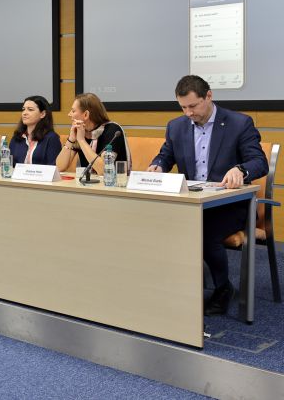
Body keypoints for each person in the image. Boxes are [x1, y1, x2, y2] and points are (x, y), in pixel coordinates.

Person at [147, 75, 268, 315]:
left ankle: (223, 288)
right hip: (192, 202)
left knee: (203, 231)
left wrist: (241, 169)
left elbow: (259, 162)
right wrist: (157, 166)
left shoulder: (239, 123)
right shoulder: (176, 126)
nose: (188, 113)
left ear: (209, 96)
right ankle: (171, 285)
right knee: (157, 224)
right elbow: (165, 156)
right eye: (183, 107)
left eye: (193, 106)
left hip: (230, 205)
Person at [55, 92, 130, 173]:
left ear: (86, 115)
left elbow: (104, 170)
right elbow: (59, 167)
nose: (69, 114)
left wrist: (81, 140)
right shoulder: (80, 131)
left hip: (113, 180)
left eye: (73, 111)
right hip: (87, 180)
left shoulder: (112, 130)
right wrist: (71, 139)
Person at [9, 96, 61, 166]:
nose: (24, 113)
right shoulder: (17, 137)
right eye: (23, 109)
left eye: (30, 110)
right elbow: (9, 164)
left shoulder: (51, 138)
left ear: (42, 114)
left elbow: (54, 166)